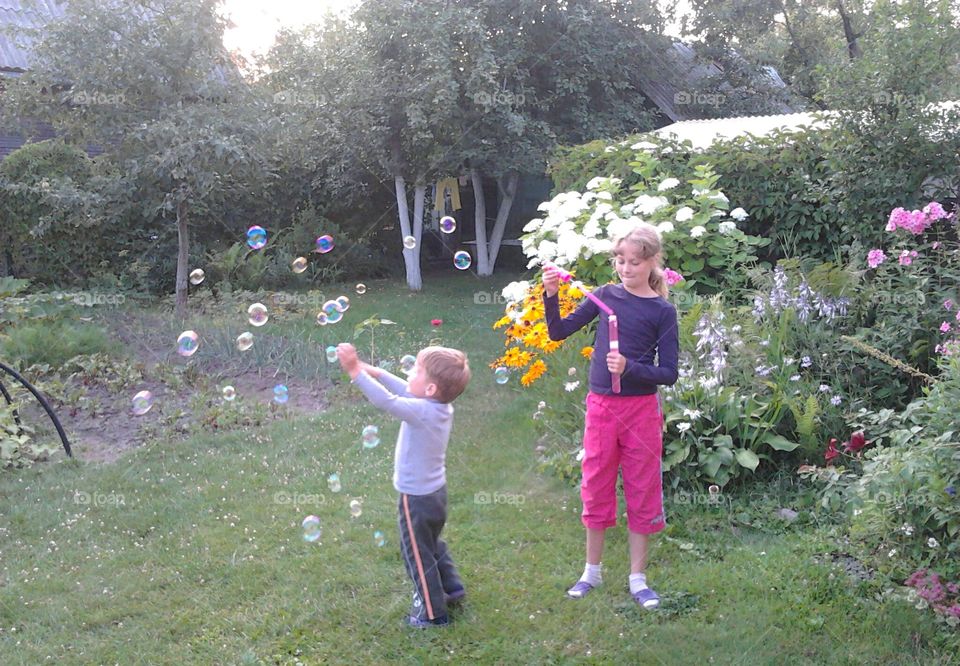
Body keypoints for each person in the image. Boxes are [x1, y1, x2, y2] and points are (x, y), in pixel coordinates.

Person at [542, 222, 679, 609]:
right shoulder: (604, 297)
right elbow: (557, 332)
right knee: (596, 484)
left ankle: (638, 579)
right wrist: (551, 295)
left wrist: (630, 368)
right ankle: (592, 571)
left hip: (640, 410)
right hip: (602, 407)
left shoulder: (662, 311)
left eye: (634, 262)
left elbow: (668, 372)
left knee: (642, 487)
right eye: (619, 260)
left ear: (652, 262)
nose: (625, 268)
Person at [336, 343, 471, 627]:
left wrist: (354, 372)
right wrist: (372, 370)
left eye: (417, 370)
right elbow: (403, 390)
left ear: (431, 389)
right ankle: (452, 587)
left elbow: (387, 401)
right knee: (431, 542)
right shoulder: (438, 407)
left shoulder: (423, 411)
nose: (410, 373)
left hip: (416, 498)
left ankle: (432, 615)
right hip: (436, 494)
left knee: (417, 553)